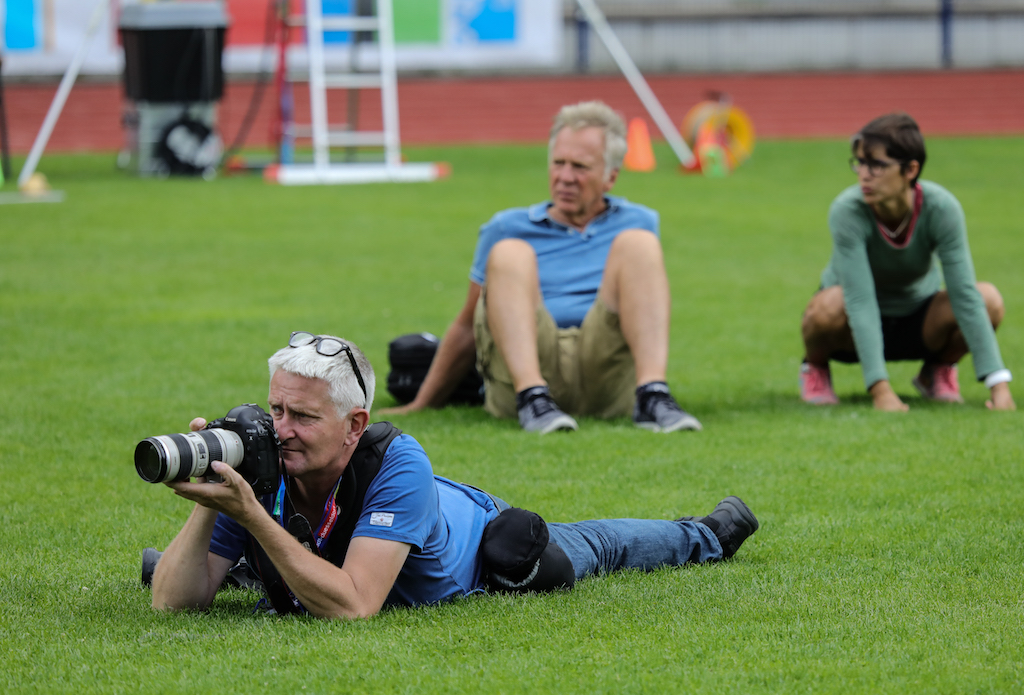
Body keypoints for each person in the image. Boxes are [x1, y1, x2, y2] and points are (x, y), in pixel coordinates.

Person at [149, 332, 759, 619]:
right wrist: (213, 495)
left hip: (480, 537)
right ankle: (253, 565)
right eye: (276, 409)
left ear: (355, 424)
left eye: (303, 417)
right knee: (243, 563)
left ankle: (704, 533)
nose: (279, 429)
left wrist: (252, 515)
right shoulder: (265, 458)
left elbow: (357, 607)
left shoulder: (396, 461)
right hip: (331, 544)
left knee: (580, 548)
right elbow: (172, 607)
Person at [380, 101, 701, 433]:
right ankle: (532, 397)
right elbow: (466, 325)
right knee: (509, 251)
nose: (565, 177)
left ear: (610, 177)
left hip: (605, 371)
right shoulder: (507, 226)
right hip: (526, 365)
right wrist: (423, 403)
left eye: (580, 166)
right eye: (558, 163)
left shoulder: (640, 221)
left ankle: (652, 396)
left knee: (639, 243)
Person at [800, 112, 1015, 411]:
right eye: (860, 162)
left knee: (988, 299)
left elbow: (964, 293)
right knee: (825, 307)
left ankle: (936, 371)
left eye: (876, 165)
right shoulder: (847, 211)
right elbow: (859, 299)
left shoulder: (942, 208)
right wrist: (881, 391)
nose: (864, 173)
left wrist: (1000, 387)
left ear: (910, 169)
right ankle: (816, 370)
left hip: (918, 319)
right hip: (850, 324)